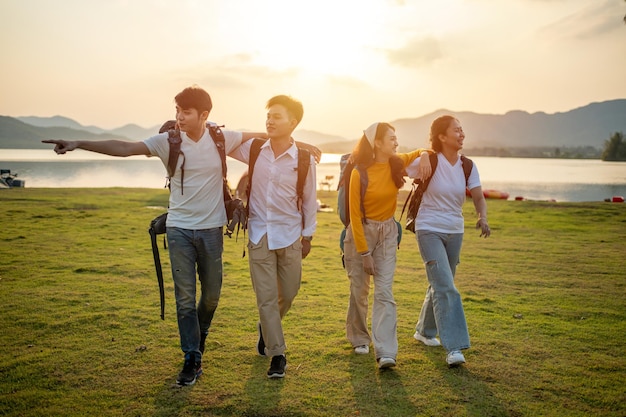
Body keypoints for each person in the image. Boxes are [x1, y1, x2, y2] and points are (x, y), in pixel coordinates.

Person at [43, 85, 267, 386]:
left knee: (211, 295)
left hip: (212, 230)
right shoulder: (168, 141)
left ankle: (199, 338)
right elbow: (124, 148)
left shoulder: (220, 138)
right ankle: (191, 356)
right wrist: (77, 143)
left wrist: (302, 146)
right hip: (178, 231)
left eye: (185, 112)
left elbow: (261, 136)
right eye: (176, 111)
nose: (179, 117)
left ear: (204, 115)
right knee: (185, 297)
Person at [229, 95, 317, 379]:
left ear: (293, 123)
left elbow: (309, 199)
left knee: (288, 293)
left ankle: (267, 327)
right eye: (268, 116)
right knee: (266, 298)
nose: (269, 121)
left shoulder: (304, 159)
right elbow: (222, 140)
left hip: (290, 233)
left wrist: (308, 237)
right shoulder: (254, 150)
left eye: (277, 117)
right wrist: (259, 133)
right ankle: (277, 354)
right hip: (258, 233)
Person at [342, 122, 431, 369]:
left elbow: (423, 151)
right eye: (391, 138)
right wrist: (364, 253)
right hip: (361, 233)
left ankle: (386, 352)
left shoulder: (396, 162)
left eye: (396, 138)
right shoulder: (359, 173)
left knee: (384, 291)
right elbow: (355, 217)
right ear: (377, 143)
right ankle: (359, 337)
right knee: (359, 290)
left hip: (388, 232)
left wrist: (423, 155)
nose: (396, 142)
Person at [405, 115, 490, 367]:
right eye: (456, 130)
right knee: (445, 286)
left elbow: (478, 196)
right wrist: (421, 154)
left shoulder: (468, 165)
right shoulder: (430, 160)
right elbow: (395, 166)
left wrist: (482, 216)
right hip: (428, 228)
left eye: (462, 130)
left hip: (455, 230)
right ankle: (454, 347)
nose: (461, 134)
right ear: (442, 136)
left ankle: (424, 331)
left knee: (442, 282)